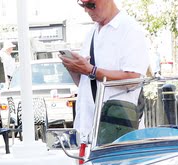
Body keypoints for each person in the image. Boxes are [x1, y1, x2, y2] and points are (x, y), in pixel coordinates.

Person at [60, 0, 150, 145]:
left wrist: (91, 70)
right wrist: (74, 68)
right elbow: (85, 83)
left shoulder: (129, 29)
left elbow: (133, 78)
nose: (86, 10)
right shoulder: (92, 33)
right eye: (82, 5)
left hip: (118, 131)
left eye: (91, 4)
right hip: (87, 129)